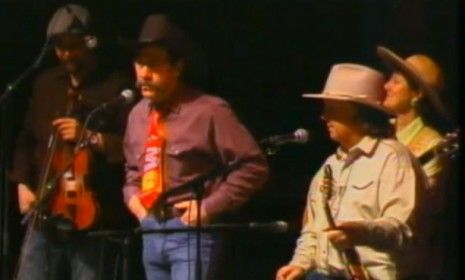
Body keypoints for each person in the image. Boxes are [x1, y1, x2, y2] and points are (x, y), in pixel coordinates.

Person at [122, 14, 269, 280]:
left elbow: (253, 166)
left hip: (191, 233)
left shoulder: (209, 111)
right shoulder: (137, 115)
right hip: (151, 228)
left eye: (154, 64)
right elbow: (133, 170)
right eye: (140, 63)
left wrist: (209, 207)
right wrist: (133, 199)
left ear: (177, 68)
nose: (144, 73)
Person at [11, 4, 134, 280]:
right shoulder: (45, 84)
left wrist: (89, 137)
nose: (65, 55)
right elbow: (25, 140)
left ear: (90, 42)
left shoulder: (115, 86)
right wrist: (22, 183)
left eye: (73, 47)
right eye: (59, 47)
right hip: (44, 212)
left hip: (92, 216)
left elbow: (130, 148)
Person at [275, 63, 427, 280]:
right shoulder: (330, 165)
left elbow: (403, 229)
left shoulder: (393, 158)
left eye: (332, 108)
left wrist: (361, 233)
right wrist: (300, 264)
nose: (324, 116)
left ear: (359, 112)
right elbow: (312, 230)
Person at [377, 46, 458, 279]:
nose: (386, 87)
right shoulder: (377, 134)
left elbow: (424, 205)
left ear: (417, 95)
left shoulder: (432, 143)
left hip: (402, 258)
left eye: (396, 82)